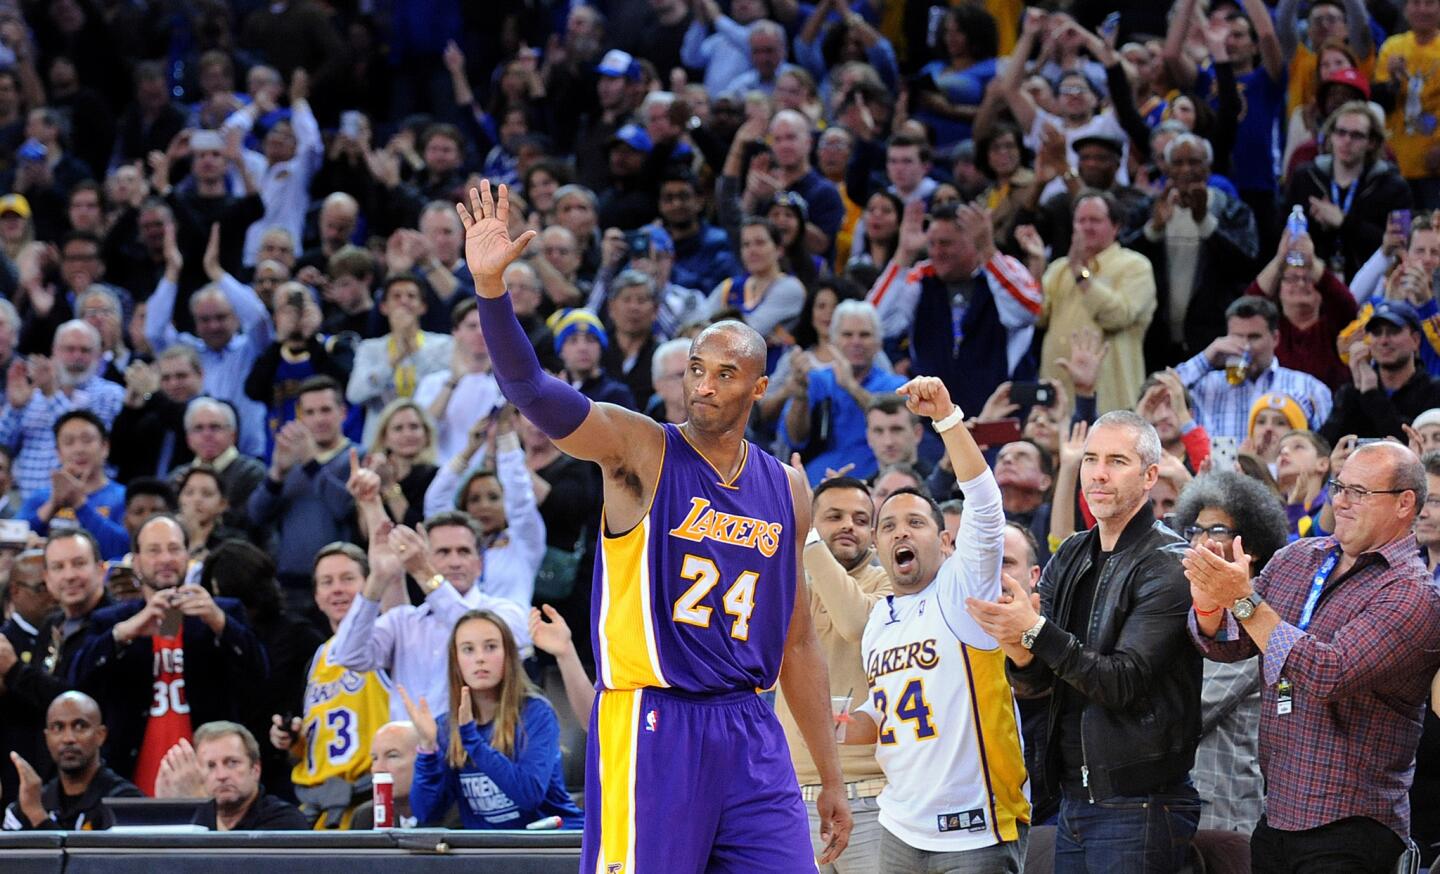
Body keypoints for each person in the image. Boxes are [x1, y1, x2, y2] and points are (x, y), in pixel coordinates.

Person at [463, 181, 851, 870]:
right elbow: (532, 392)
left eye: (724, 374)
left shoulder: (787, 488)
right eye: (696, 370)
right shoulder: (640, 450)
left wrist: (828, 772)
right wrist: (492, 294)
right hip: (656, 721)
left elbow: (796, 646)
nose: (703, 386)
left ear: (758, 387)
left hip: (752, 728)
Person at [1186, 441, 1440, 872]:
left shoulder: (1413, 594)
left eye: (1359, 493)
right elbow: (1231, 642)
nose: (1340, 501)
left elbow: (1329, 673)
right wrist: (1210, 605)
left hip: (1352, 825)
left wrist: (1243, 603)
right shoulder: (1298, 557)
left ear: (1404, 503)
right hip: (1277, 815)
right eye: (1339, 487)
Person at [968, 411, 1202, 872]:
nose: (1098, 473)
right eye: (1091, 458)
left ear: (1150, 476)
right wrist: (1016, 644)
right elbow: (1039, 681)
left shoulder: (1169, 563)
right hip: (1072, 797)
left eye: (1117, 461)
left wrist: (1033, 631)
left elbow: (1121, 682)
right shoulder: (1072, 552)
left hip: (1141, 801)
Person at [844, 376, 1030, 869]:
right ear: (878, 549)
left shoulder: (959, 589)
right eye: (888, 526)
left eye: (916, 522)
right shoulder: (879, 617)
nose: (900, 531)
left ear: (946, 543)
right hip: (899, 823)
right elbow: (887, 702)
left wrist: (946, 419)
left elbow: (987, 507)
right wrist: (846, 722)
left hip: (975, 826)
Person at [71, 515, 267, 792]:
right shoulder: (111, 621)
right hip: (129, 781)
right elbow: (78, 683)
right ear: (136, 561)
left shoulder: (225, 612)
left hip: (213, 786)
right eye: (154, 550)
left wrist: (219, 622)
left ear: (189, 555)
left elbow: (259, 679)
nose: (165, 558)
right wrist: (124, 633)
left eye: (174, 549)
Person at [331, 479, 531, 723]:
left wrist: (423, 572)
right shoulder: (405, 620)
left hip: (475, 753)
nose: (455, 561)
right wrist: (378, 578)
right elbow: (347, 655)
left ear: (479, 564)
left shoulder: (504, 611)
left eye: (464, 551)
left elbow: (471, 628)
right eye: (443, 552)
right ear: (429, 557)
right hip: (409, 756)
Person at [772, 474, 891, 873]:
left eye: (860, 519)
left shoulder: (892, 586)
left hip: (872, 798)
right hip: (790, 797)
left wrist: (805, 539)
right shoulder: (784, 585)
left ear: (874, 536)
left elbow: (855, 622)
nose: (848, 526)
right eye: (834, 516)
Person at [1171, 471, 1290, 835]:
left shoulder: (1259, 617)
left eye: (1217, 531)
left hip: (1225, 811)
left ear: (1250, 545)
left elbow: (1197, 707)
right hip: (1184, 803)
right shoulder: (1193, 606)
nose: (1203, 542)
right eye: (1195, 530)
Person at [401, 609, 582, 829]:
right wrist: (427, 749)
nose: (480, 658)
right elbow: (426, 813)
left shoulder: (536, 713)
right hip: (490, 854)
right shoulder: (446, 727)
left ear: (508, 656)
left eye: (491, 647)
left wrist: (472, 740)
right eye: (468, 649)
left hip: (551, 847)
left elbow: (529, 795)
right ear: (456, 662)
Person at [869, 201, 1041, 419]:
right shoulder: (922, 276)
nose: (936, 252)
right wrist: (903, 255)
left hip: (1000, 418)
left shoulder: (1006, 268)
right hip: (932, 422)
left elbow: (1027, 312)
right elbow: (872, 322)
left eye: (946, 243)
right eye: (931, 244)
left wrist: (988, 251)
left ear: (972, 242)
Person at [269, 543, 392, 829]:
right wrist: (293, 739)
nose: (337, 589)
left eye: (348, 579)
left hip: (371, 799)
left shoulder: (387, 640)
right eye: (327, 582)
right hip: (319, 804)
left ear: (369, 584)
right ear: (317, 596)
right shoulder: (317, 657)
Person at [1122, 133, 1261, 368]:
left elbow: (1246, 264)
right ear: (1165, 168)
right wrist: (1153, 230)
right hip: (1155, 341)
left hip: (1211, 339)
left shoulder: (1232, 210)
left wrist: (1205, 223)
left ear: (1208, 168)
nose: (1186, 169)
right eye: (1177, 162)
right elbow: (1123, 263)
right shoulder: (1147, 210)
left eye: (1194, 162)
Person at [1040, 190, 1157, 413]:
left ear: (1116, 226)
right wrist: (1036, 263)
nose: (1087, 227)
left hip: (1111, 400)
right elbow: (1037, 317)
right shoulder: (1058, 269)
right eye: (1081, 220)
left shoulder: (1135, 266)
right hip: (1058, 403)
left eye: (1095, 220)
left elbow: (1118, 316)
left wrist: (1080, 273)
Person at [246, 376, 356, 606]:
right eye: (310, 412)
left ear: (342, 412)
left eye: (325, 410)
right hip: (290, 585)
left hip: (340, 587)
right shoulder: (291, 464)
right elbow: (256, 515)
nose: (318, 419)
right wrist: (276, 473)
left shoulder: (358, 458)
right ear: (300, 417)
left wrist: (310, 463)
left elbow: (344, 508)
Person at [423, 407, 545, 609]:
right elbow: (435, 501)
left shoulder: (523, 542)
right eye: (474, 499)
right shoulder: (455, 545)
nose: (484, 506)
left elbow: (520, 498)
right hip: (457, 637)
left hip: (511, 637)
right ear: (464, 508)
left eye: (493, 497)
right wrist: (469, 450)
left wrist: (505, 435)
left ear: (506, 504)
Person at [1176, 296, 1333, 441]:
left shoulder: (1310, 387)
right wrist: (1206, 358)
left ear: (1275, 338)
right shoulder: (1206, 384)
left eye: (1254, 337)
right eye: (1237, 336)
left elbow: (1323, 447)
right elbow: (1162, 391)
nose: (1245, 346)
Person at [784, 300, 905, 484]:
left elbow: (899, 422)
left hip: (874, 484)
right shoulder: (815, 380)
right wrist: (799, 396)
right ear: (832, 341)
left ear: (879, 342)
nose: (856, 342)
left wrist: (851, 387)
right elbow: (795, 437)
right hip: (817, 482)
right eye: (847, 335)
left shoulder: (897, 385)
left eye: (864, 335)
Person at [1, 320, 125, 498]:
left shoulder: (111, 394)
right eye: (69, 349)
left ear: (98, 355)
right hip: (30, 502)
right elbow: (4, 447)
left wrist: (52, 395)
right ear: (54, 351)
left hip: (88, 502)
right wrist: (14, 408)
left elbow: (86, 439)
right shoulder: (33, 396)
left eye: (85, 350)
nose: (77, 356)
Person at [2, 691, 142, 830]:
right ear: (47, 737)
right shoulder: (32, 802)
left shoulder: (125, 803)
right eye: (58, 727)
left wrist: (37, 816)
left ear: (100, 735)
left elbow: (91, 853)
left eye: (80, 726)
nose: (68, 738)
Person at [347, 275, 454, 445]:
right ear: (383, 307)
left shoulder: (443, 345)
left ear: (423, 307)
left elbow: (446, 386)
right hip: (381, 441)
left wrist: (413, 351)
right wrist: (392, 361)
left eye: (411, 296)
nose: (404, 301)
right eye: (396, 296)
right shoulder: (369, 348)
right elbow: (355, 394)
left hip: (431, 439)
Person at [1321, 300, 1440, 441]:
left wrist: (1371, 395)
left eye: (1393, 331)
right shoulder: (1352, 390)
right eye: (1377, 333)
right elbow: (1325, 444)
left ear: (1415, 340)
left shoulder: (1434, 391)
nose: (1383, 341)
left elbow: (1413, 443)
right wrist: (1357, 388)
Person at [154, 721, 307, 830]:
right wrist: (167, 811)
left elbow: (234, 864)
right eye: (211, 766)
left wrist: (198, 801)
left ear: (255, 769)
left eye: (232, 763)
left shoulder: (286, 820)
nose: (221, 775)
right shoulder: (188, 820)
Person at [18, 410, 128, 559]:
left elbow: (124, 548)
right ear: (58, 452)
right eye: (69, 442)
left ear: (105, 447)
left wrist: (80, 504)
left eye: (87, 440)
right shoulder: (40, 498)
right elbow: (11, 539)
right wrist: (52, 504)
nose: (78, 449)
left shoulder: (124, 498)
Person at [351, 721, 423, 829]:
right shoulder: (366, 816)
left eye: (392, 756)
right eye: (375, 758)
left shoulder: (453, 817)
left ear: (424, 761)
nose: (378, 769)